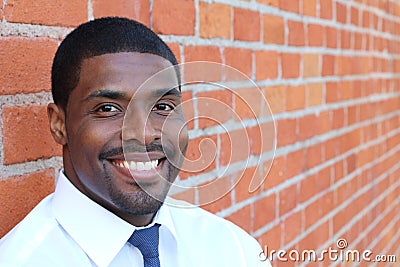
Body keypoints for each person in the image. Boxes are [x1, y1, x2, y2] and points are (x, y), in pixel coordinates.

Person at [0, 17, 271, 267]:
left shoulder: (232, 250)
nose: (144, 134)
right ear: (59, 124)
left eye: (163, 106)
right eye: (108, 109)